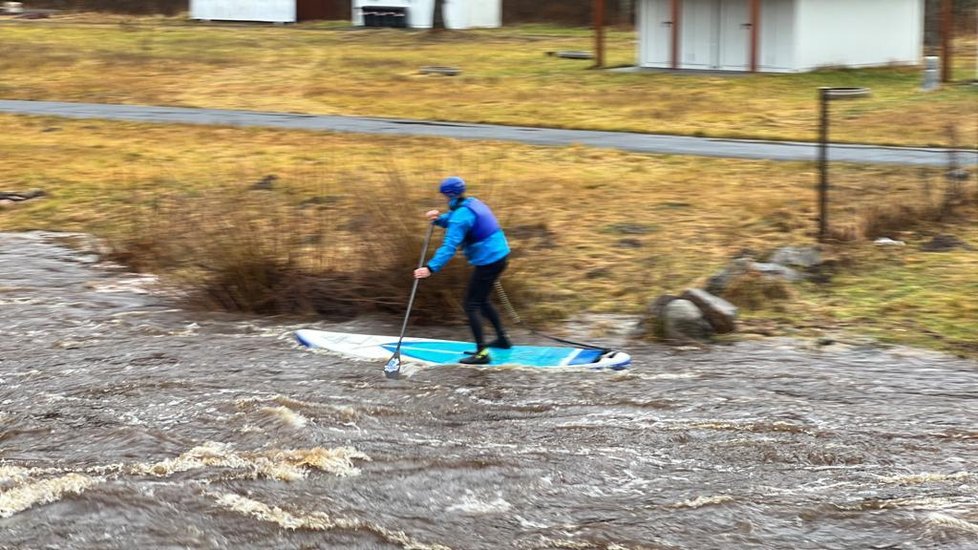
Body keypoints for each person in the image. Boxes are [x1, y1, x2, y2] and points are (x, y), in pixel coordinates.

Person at [413, 176, 512, 365]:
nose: (443, 199)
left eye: (444, 196)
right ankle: (503, 340)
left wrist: (430, 268)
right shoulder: (471, 203)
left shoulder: (460, 216)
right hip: (500, 256)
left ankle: (482, 353)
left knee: (471, 304)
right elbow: (454, 219)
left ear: (450, 195)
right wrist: (438, 219)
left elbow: (449, 246)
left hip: (489, 261)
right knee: (481, 300)